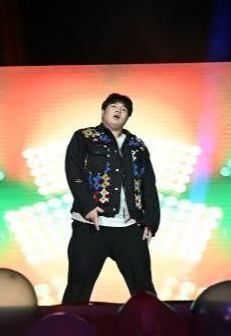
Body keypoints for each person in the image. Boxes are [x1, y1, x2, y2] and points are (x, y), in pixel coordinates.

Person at [62, 93, 160, 304]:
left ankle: (152, 324)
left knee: (144, 291)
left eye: (124, 109)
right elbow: (74, 171)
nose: (118, 111)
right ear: (103, 111)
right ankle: (68, 324)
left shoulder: (137, 145)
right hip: (91, 227)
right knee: (77, 289)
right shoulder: (84, 137)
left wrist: (151, 221)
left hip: (130, 229)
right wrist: (88, 206)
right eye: (114, 106)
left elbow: (148, 184)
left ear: (128, 117)